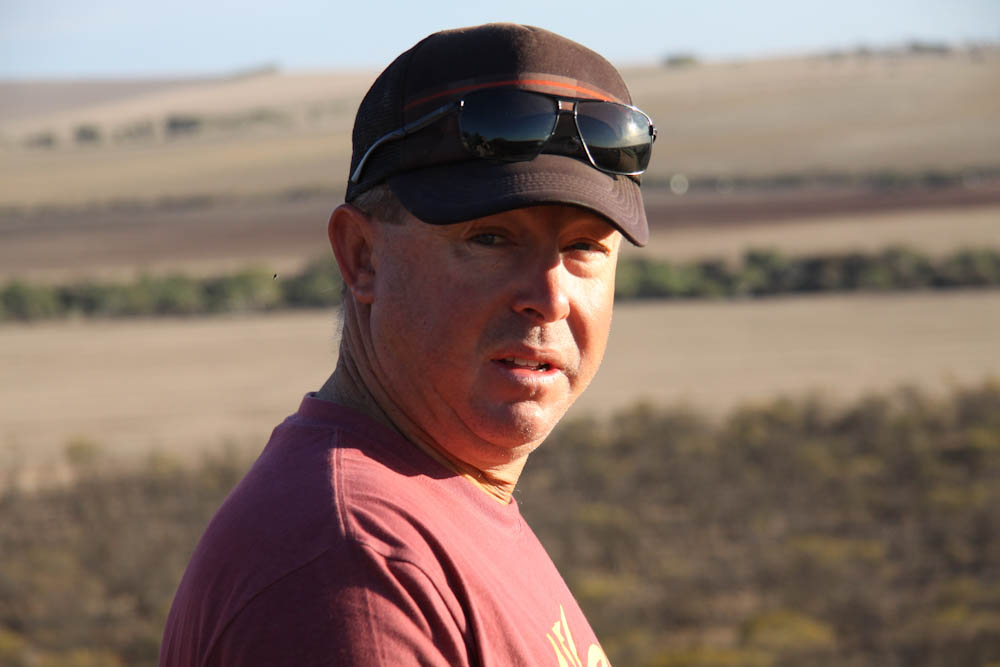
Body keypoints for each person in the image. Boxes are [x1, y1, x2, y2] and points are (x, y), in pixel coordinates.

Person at [159, 22, 655, 666]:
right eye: (491, 239)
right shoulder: (355, 571)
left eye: (584, 247)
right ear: (361, 256)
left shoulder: (439, 505)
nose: (549, 296)